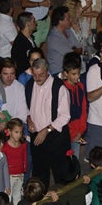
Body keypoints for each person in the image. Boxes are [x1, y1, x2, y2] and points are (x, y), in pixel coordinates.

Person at [24, 59, 71, 188]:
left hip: (55, 138)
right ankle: (40, 203)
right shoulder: (29, 85)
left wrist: (46, 130)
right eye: (35, 75)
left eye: (41, 75)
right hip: (37, 137)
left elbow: (65, 116)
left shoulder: (59, 87)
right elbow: (28, 108)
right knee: (39, 174)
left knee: (61, 174)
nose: (37, 78)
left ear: (47, 71)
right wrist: (29, 119)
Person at [46, 6, 82, 74]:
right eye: (68, 19)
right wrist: (74, 49)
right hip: (58, 73)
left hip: (71, 71)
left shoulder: (68, 31)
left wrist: (75, 50)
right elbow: (71, 54)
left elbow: (79, 48)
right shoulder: (53, 38)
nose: (71, 20)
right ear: (60, 21)